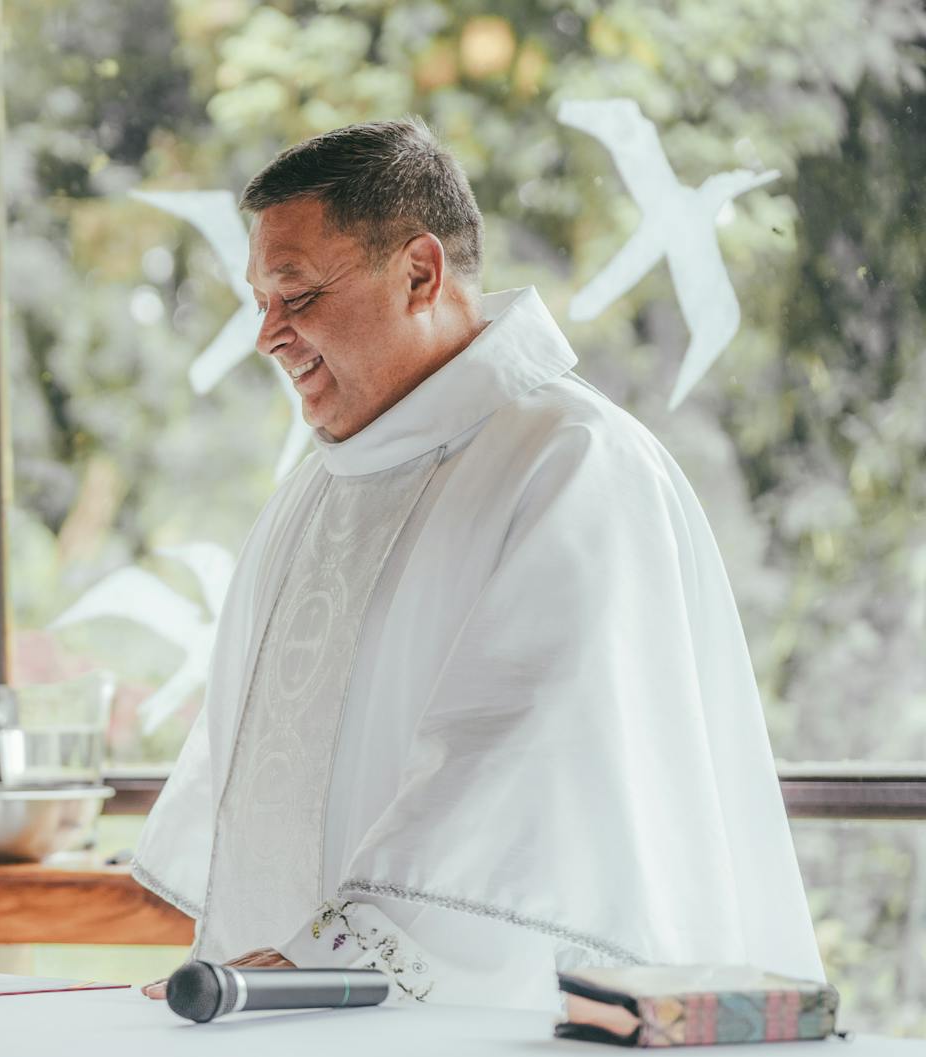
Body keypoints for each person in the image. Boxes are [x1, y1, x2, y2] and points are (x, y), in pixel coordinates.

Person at [133, 120, 821, 1009]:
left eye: (296, 296)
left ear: (419, 272)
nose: (268, 335)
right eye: (259, 300)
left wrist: (339, 956)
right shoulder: (315, 494)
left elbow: (528, 747)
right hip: (290, 1011)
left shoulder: (570, 463)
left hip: (506, 1016)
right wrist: (267, 965)